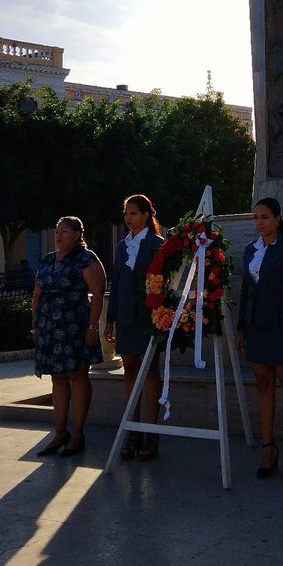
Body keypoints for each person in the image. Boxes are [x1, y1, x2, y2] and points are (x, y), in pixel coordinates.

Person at [236, 197, 283, 480]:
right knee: (263, 383)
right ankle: (268, 447)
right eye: (255, 217)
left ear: (277, 219)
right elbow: (245, 291)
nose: (259, 222)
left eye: (265, 217)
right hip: (256, 328)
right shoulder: (249, 250)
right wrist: (241, 326)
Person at [32, 216, 106, 457]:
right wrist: (35, 323)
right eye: (56, 231)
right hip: (49, 330)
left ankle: (77, 434)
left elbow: (97, 292)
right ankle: (59, 433)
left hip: (75, 328)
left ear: (77, 234)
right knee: (58, 378)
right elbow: (37, 293)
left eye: (64, 231)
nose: (58, 235)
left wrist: (93, 327)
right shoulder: (47, 259)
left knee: (77, 375)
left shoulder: (87, 259)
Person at [104, 194, 164, 461]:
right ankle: (132, 430)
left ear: (145, 215)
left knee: (150, 372)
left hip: (149, 318)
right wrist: (110, 319)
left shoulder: (156, 243)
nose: (128, 218)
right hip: (126, 317)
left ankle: (152, 432)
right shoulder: (122, 246)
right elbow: (116, 283)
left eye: (134, 213)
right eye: (126, 213)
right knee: (129, 370)